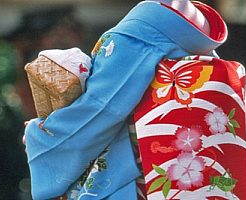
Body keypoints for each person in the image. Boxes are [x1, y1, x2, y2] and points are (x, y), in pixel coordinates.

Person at [23, 1, 230, 199]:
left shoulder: (141, 32)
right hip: (190, 179)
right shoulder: (196, 25)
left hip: (141, 184)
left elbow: (101, 110)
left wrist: (40, 135)